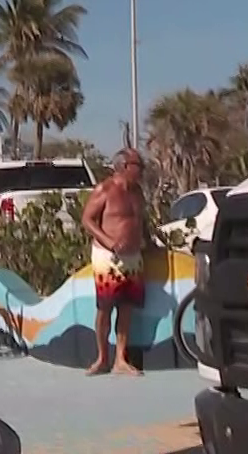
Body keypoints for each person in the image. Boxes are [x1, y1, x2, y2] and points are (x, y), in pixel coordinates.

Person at [81, 148, 149, 376]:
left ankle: (121, 358)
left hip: (133, 257)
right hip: (108, 257)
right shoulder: (105, 190)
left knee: (127, 307)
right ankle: (102, 357)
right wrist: (109, 242)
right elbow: (87, 220)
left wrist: (148, 241)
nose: (141, 171)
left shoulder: (138, 192)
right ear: (123, 166)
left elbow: (140, 220)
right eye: (137, 166)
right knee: (105, 307)